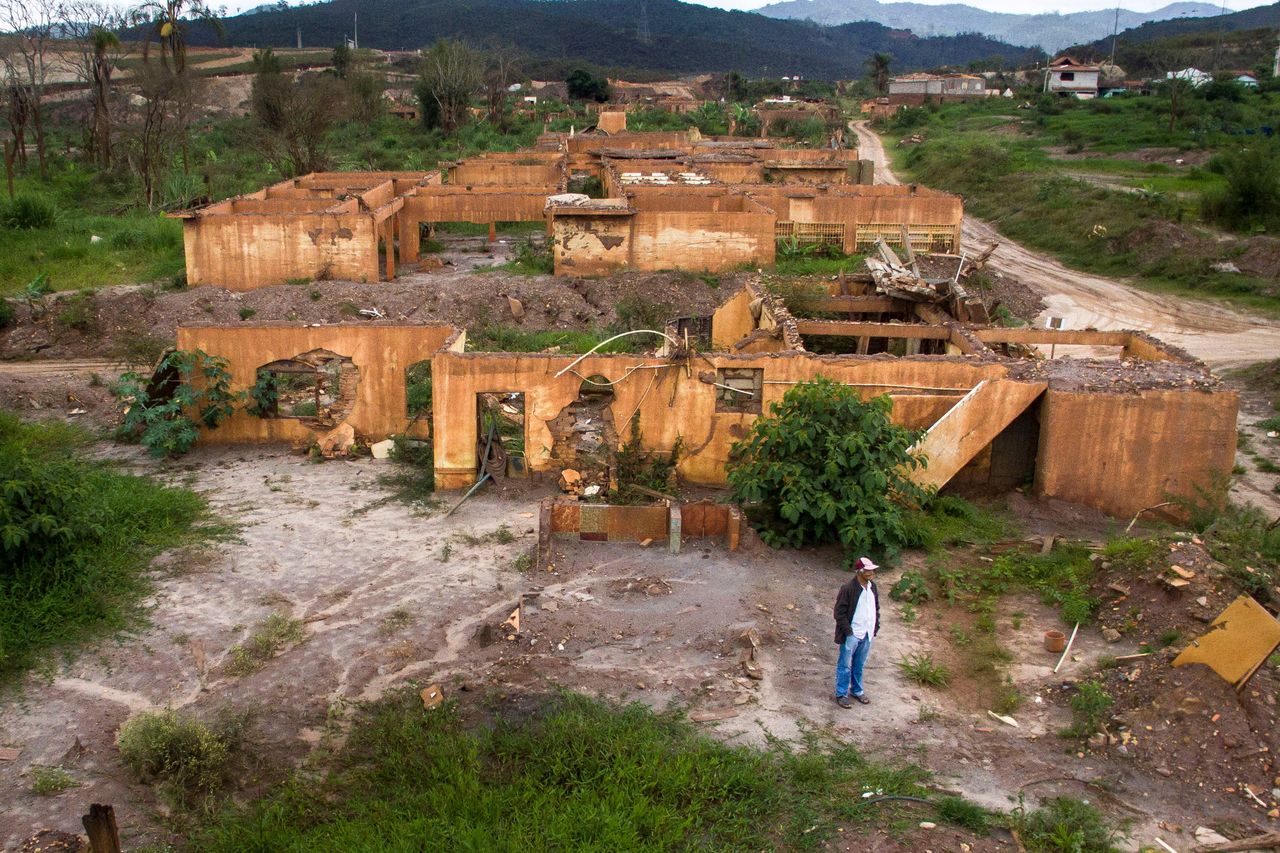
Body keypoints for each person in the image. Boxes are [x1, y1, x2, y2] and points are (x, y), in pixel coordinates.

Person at [832, 557, 880, 708]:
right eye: (868, 570)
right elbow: (839, 612)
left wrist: (875, 626)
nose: (872, 572)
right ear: (860, 571)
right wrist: (848, 631)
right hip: (852, 633)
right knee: (845, 665)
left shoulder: (872, 587)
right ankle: (841, 693)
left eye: (872, 569)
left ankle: (857, 690)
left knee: (859, 664)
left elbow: (875, 608)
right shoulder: (848, 588)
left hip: (867, 633)